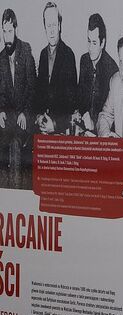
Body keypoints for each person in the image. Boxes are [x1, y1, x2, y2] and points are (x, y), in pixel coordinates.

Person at [0, 8, 36, 189]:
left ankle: (14, 196)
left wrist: (24, 112)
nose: (7, 37)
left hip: (25, 117)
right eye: (4, 31)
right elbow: (1, 95)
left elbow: (33, 89)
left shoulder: (26, 50)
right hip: (8, 119)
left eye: (10, 31)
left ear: (16, 29)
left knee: (14, 143)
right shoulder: (0, 59)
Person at [34, 2, 77, 135]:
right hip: (42, 127)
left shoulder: (68, 55)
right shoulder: (42, 55)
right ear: (44, 28)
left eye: (54, 25)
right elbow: (39, 94)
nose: (51, 30)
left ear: (59, 25)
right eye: (48, 25)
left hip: (59, 129)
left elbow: (71, 103)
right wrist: (38, 116)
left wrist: (55, 125)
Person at [74, 13, 117, 135]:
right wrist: (80, 113)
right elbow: (80, 97)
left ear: (102, 43)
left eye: (94, 43)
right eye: (88, 41)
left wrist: (93, 123)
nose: (89, 48)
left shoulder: (112, 70)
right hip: (83, 128)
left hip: (100, 134)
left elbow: (111, 117)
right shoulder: (84, 60)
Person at [97, 35, 123, 138]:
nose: (122, 70)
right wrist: (106, 135)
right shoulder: (115, 81)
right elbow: (104, 116)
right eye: (121, 62)